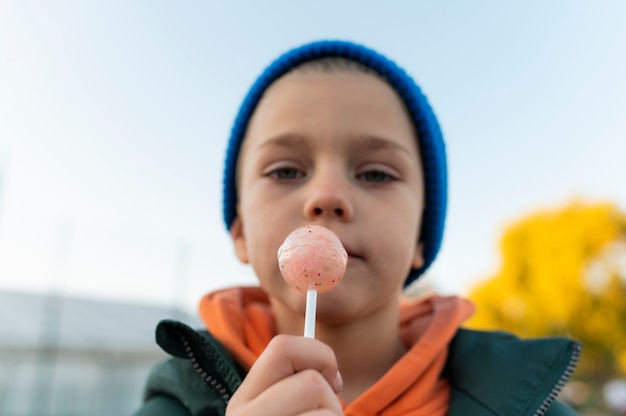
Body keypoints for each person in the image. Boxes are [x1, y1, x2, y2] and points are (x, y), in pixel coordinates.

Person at [134, 40, 581, 416]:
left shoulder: (527, 401)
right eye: (286, 171)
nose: (326, 195)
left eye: (376, 174)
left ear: (422, 238)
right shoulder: (174, 402)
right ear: (241, 233)